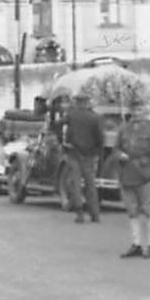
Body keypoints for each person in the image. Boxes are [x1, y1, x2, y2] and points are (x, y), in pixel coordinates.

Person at [114, 99, 150, 259]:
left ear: (144, 110)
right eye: (134, 109)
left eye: (140, 109)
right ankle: (136, 244)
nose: (137, 112)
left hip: (145, 173)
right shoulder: (123, 128)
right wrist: (119, 155)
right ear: (131, 110)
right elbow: (116, 148)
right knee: (132, 211)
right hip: (127, 173)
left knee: (148, 209)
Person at [62, 94, 105, 223]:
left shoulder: (71, 115)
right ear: (88, 102)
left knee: (75, 184)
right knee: (90, 184)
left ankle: (79, 212)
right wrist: (98, 152)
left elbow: (59, 124)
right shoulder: (95, 117)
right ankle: (94, 213)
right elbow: (100, 138)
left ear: (77, 102)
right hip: (89, 155)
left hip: (74, 153)